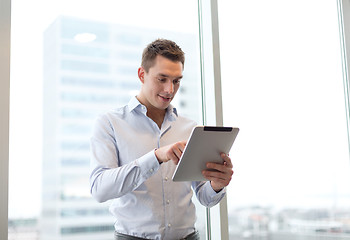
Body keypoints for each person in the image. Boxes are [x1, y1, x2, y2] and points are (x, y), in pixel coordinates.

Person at [89, 39, 234, 240]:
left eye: (176, 80)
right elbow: (99, 189)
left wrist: (217, 184)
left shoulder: (190, 128)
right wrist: (156, 157)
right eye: (162, 79)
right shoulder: (110, 123)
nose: (170, 90)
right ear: (142, 74)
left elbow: (204, 197)